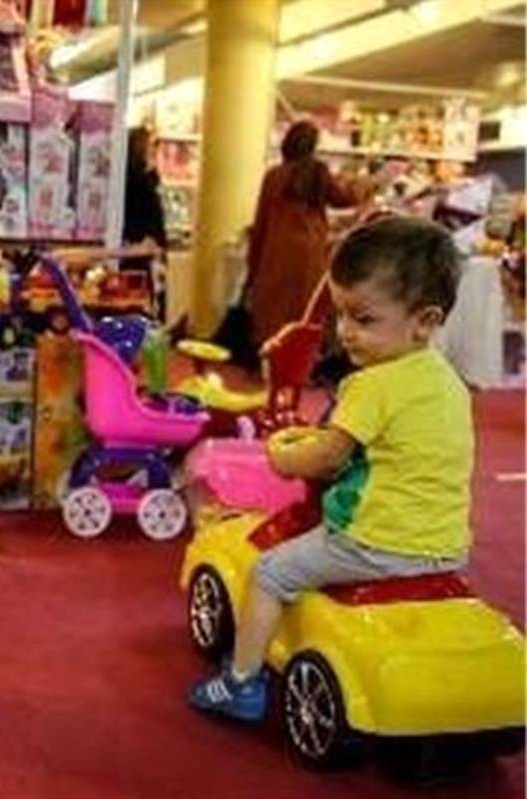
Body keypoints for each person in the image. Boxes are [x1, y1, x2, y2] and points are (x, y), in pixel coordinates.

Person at [189, 216, 472, 721]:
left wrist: (281, 456)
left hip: (375, 542)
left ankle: (241, 683)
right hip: (443, 543)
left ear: (425, 321)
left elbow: (328, 458)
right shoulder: (447, 381)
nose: (345, 332)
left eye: (364, 319)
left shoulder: (372, 384)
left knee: (270, 572)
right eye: (341, 315)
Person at [247, 121, 368, 351]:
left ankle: (271, 354)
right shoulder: (319, 173)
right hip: (311, 253)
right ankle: (302, 356)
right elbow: (345, 199)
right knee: (306, 308)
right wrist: (364, 182)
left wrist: (253, 265)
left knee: (274, 310)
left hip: (277, 253)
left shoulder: (273, 176)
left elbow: (261, 221)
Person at [121, 127, 169, 319]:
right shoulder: (141, 183)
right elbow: (151, 221)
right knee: (144, 304)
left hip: (139, 253)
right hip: (141, 254)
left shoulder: (135, 180)